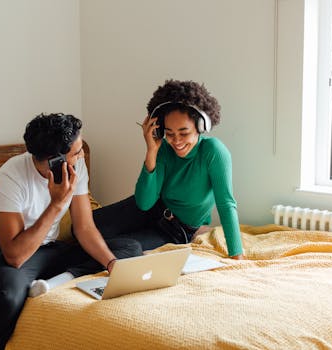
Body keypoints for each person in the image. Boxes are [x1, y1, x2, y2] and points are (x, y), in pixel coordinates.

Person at [0, 113, 142, 350]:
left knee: (128, 249)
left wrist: (111, 263)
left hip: (49, 249)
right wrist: (56, 204)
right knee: (9, 298)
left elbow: (84, 227)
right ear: (56, 160)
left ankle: (54, 283)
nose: (82, 156)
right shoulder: (10, 176)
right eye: (76, 152)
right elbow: (15, 255)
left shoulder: (77, 166)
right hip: (5, 252)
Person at [93, 79, 244, 259]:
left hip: (175, 231)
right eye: (170, 134)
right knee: (83, 227)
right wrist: (151, 151)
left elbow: (226, 204)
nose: (177, 141)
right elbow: (144, 203)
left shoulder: (213, 152)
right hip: (150, 209)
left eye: (184, 133)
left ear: (201, 126)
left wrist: (237, 254)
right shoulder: (163, 149)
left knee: (120, 249)